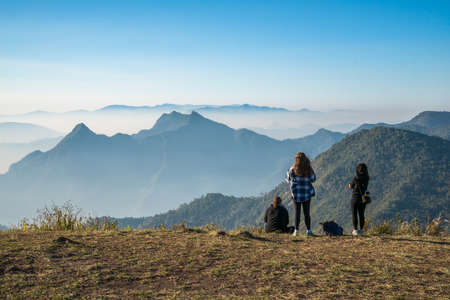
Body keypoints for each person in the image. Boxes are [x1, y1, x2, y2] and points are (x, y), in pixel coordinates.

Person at [285, 152, 316, 236]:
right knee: (307, 213)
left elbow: (287, 179)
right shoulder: (309, 169)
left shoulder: (292, 169)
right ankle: (308, 230)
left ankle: (296, 230)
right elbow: (313, 179)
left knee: (297, 213)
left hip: (296, 194)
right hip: (306, 194)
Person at [348, 163, 370, 236]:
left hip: (355, 198)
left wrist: (350, 185)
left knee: (354, 214)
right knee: (361, 214)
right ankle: (361, 230)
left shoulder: (356, 178)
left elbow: (351, 186)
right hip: (362, 198)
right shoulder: (367, 178)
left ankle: (355, 230)